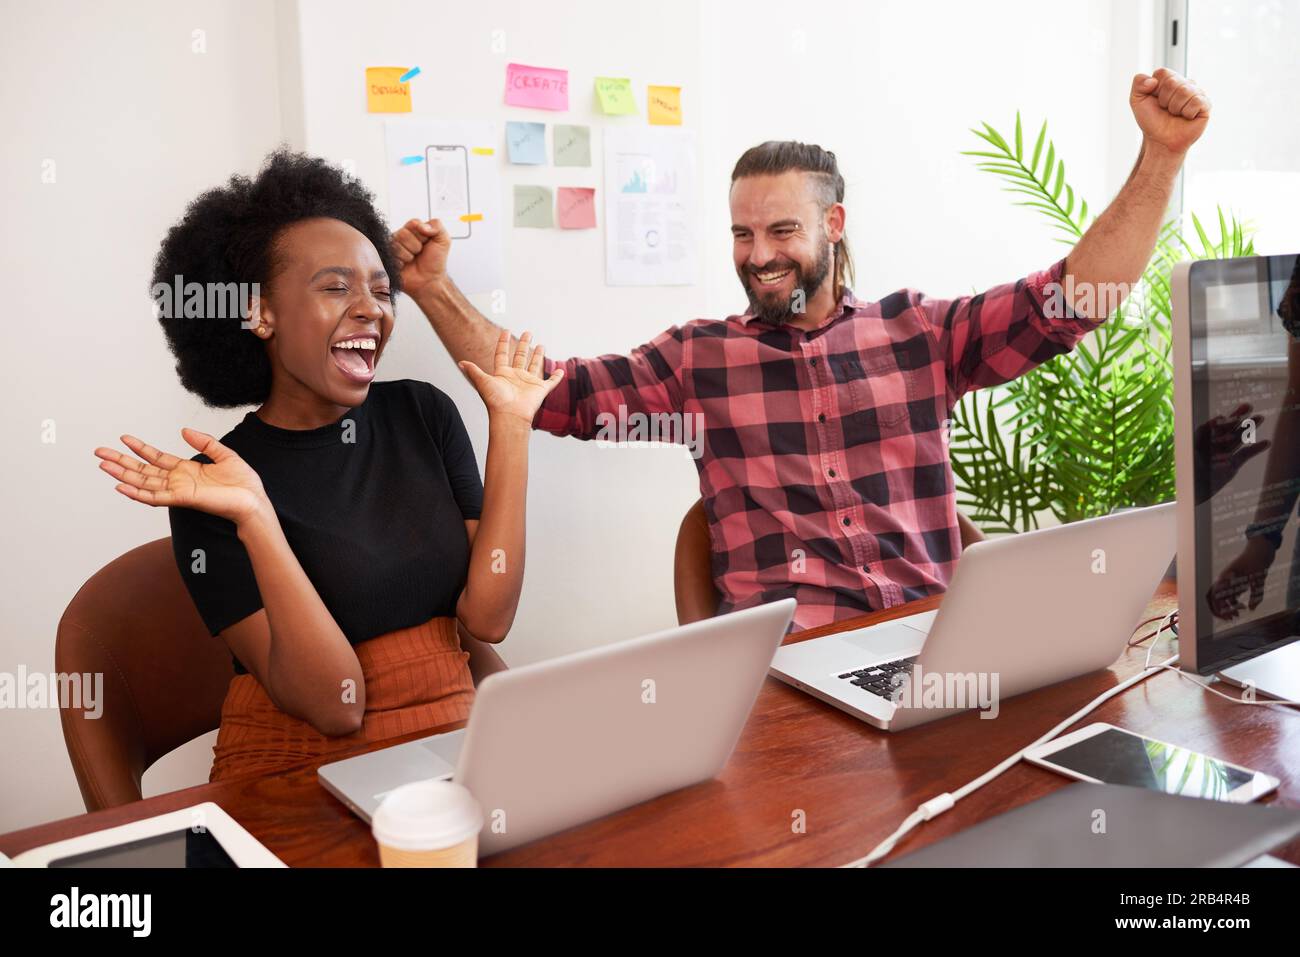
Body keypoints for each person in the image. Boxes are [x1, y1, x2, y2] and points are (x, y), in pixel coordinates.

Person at [393, 69, 1212, 633]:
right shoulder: (698, 362)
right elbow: (541, 391)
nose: (758, 255)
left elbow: (1076, 302)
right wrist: (432, 287)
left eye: (782, 230)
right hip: (791, 672)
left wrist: (1163, 153)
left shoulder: (918, 333)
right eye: (742, 234)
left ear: (834, 226)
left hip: (938, 650)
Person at [93, 150, 561, 780]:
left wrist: (510, 426)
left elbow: (488, 618)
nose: (372, 308)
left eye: (380, 289)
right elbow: (334, 706)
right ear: (259, 313)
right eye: (337, 287)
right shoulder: (214, 485)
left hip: (444, 744)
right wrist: (257, 515)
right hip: (297, 765)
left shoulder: (424, 413)